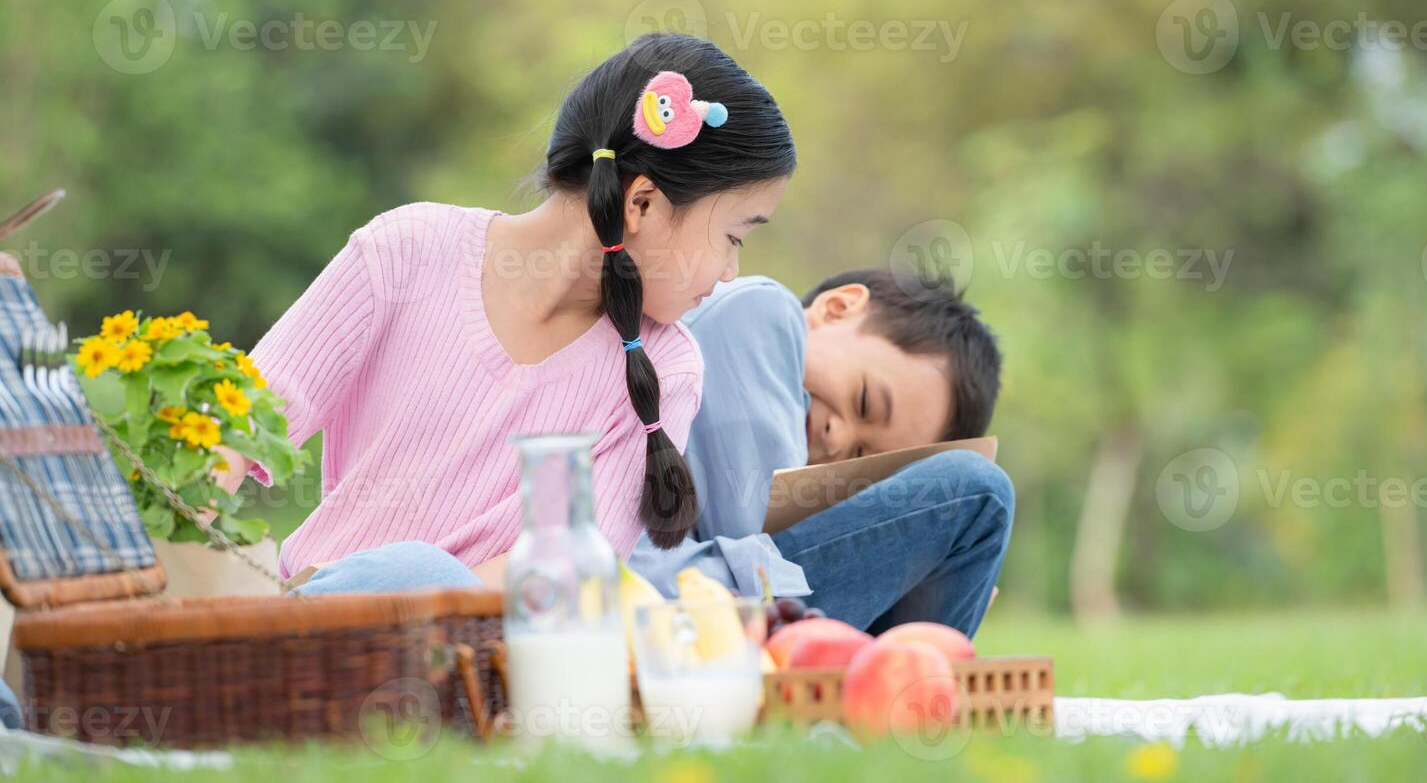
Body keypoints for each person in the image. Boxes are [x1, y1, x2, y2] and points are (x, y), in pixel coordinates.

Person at [216, 34, 796, 591]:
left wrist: (400, 597)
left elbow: (561, 573)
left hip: (474, 663)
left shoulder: (667, 368)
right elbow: (234, 426)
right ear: (641, 203)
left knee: (419, 573)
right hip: (301, 636)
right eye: (734, 236)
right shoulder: (408, 251)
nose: (729, 274)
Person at [628, 268, 1012, 638]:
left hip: (694, 615)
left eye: (861, 456)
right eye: (864, 401)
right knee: (978, 491)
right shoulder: (758, 313)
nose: (836, 440)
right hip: (661, 600)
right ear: (839, 308)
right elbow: (751, 543)